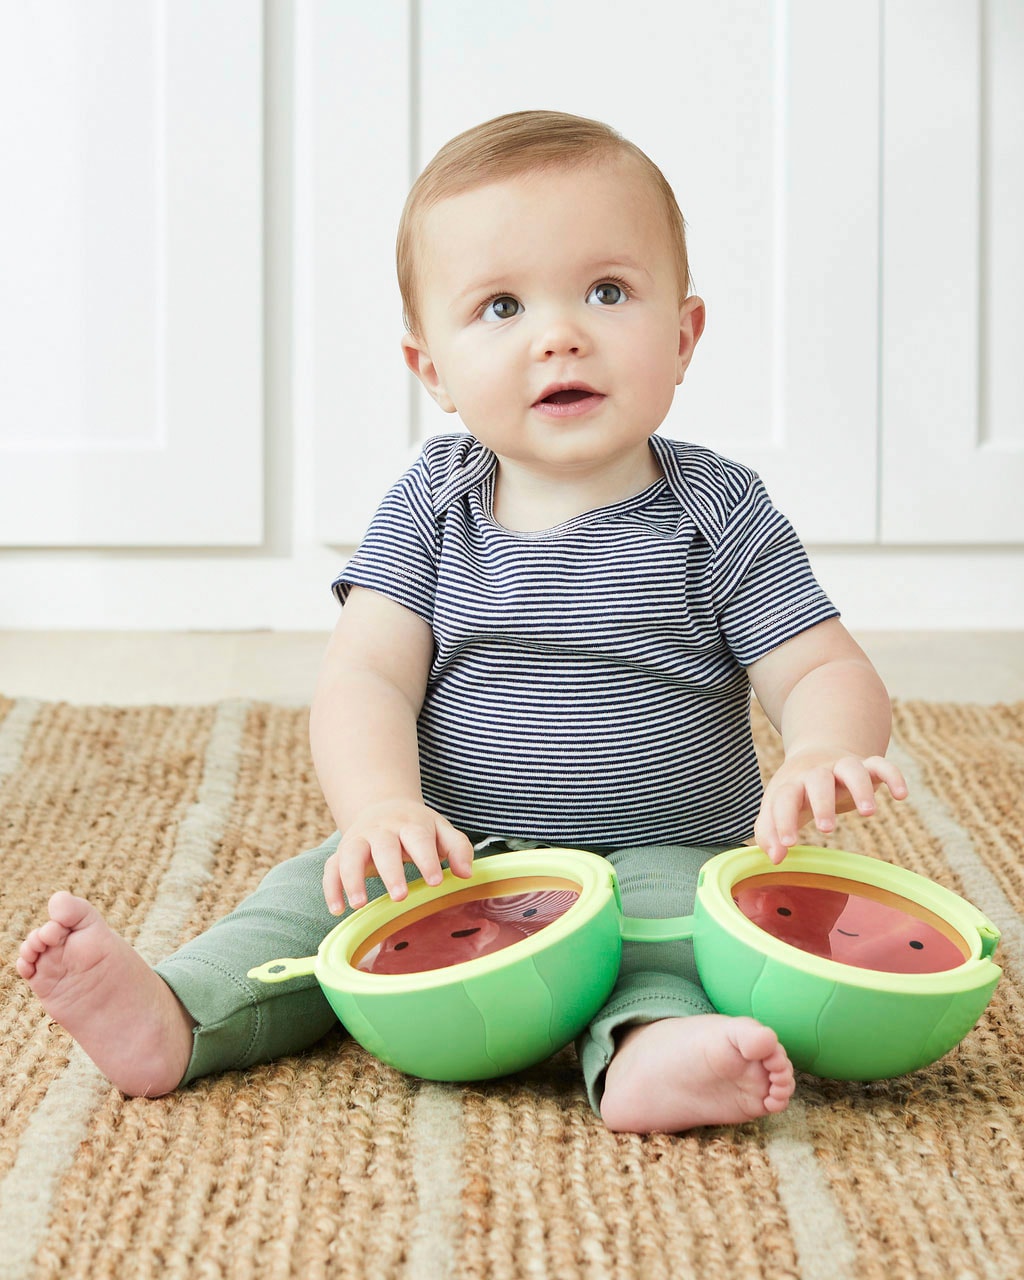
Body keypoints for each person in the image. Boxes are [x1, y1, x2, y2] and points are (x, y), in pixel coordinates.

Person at [18, 110, 908, 1133]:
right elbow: (366, 679)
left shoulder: (718, 510)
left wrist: (824, 750)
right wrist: (381, 811)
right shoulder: (433, 503)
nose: (558, 333)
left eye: (606, 292)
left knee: (682, 937)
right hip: (452, 854)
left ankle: (649, 1051)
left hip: (661, 850)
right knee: (308, 898)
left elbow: (819, 666)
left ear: (682, 334)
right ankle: (180, 1011)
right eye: (499, 305)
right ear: (430, 367)